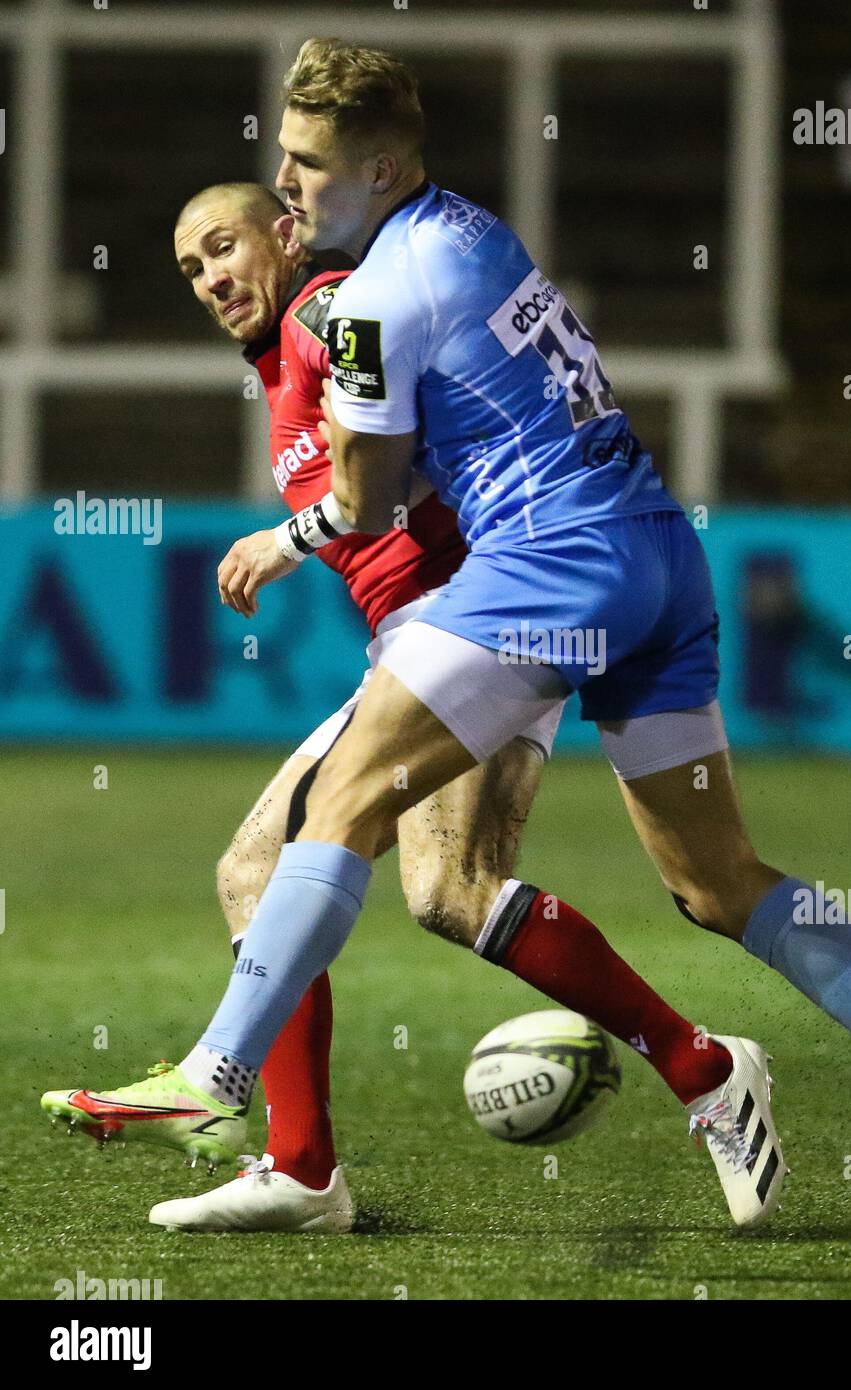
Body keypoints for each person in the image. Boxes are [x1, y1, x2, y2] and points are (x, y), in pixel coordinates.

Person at [44, 40, 851, 1240]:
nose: (288, 186)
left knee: (339, 808)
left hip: (548, 566)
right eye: (284, 161)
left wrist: (286, 543)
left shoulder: (359, 306)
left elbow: (366, 498)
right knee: (714, 881)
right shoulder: (468, 231)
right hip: (659, 548)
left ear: (384, 166)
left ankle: (217, 1078)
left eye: (307, 166)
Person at [42, 180, 759, 1233]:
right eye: (191, 269)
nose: (210, 277)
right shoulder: (283, 356)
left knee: (441, 886)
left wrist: (289, 541)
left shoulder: (326, 310)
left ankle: (704, 1069)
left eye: (224, 246)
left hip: (482, 624)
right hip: (434, 636)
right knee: (367, 883)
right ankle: (303, 1171)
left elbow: (405, 408)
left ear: (284, 233)